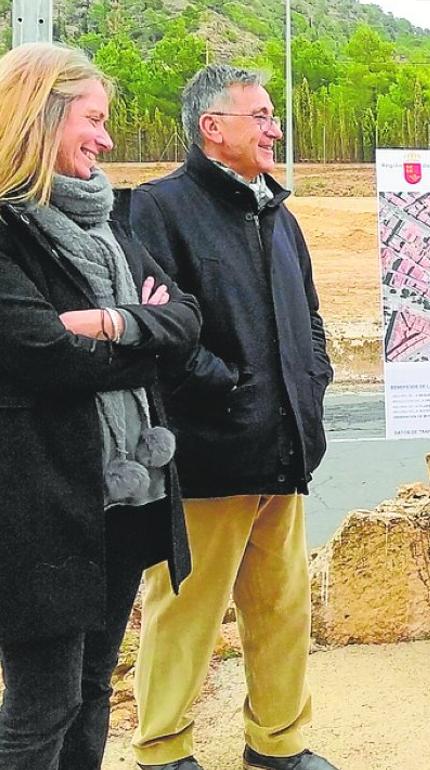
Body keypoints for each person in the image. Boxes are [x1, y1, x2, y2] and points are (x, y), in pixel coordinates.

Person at [127, 65, 335, 770]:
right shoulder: (159, 207)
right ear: (212, 129)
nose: (275, 128)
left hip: (284, 447)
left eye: (273, 115)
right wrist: (233, 390)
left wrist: (311, 385)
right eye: (261, 115)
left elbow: (308, 318)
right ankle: (162, 750)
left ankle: (277, 744)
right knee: (185, 611)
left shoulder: (279, 214)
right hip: (207, 453)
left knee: (280, 606)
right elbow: (157, 333)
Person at [0, 42, 201, 770]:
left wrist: (113, 322)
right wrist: (140, 330)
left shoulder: (107, 223)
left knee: (90, 688)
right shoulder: (5, 229)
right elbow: (43, 355)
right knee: (40, 705)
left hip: (121, 502)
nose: (107, 139)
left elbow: (184, 320)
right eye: (93, 119)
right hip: (39, 509)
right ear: (40, 116)